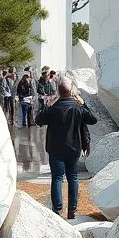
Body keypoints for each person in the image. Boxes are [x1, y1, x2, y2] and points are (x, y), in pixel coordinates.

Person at [35, 76, 97, 218]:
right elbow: (93, 119)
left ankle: (57, 209)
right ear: (71, 91)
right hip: (74, 148)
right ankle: (72, 210)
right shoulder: (78, 108)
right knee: (73, 177)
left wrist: (47, 105)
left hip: (55, 148)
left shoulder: (53, 109)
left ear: (59, 91)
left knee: (57, 178)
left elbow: (38, 120)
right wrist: (83, 104)